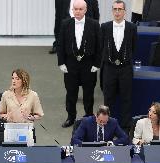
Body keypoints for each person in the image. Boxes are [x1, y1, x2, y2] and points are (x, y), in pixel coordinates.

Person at [57, 0, 101, 128]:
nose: (77, 11)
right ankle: (71, 117)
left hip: (88, 64)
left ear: (86, 10)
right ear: (72, 10)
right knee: (71, 93)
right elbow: (60, 44)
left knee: (88, 93)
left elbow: (99, 46)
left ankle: (88, 117)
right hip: (70, 64)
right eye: (75, 9)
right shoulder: (66, 24)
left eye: (80, 9)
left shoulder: (94, 24)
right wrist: (61, 63)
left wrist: (97, 64)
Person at [100, 0, 137, 134]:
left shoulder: (132, 27)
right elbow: (101, 47)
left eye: (119, 9)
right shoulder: (104, 27)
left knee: (126, 99)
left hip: (125, 69)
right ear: (112, 11)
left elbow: (133, 47)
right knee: (108, 98)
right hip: (109, 69)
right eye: (115, 9)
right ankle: (107, 126)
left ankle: (125, 128)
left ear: (124, 11)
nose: (117, 12)